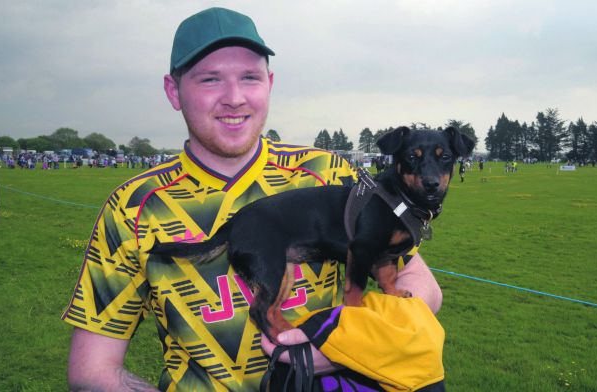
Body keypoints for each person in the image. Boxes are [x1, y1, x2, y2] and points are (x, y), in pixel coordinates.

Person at [63, 7, 443, 391]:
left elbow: (422, 287)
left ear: (270, 82)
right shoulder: (133, 206)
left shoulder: (332, 173)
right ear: (173, 91)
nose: (234, 98)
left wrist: (351, 341)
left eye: (249, 77)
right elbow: (93, 371)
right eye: (210, 79)